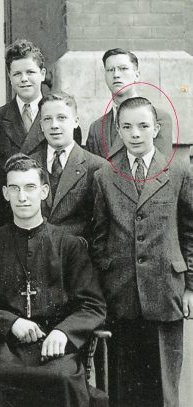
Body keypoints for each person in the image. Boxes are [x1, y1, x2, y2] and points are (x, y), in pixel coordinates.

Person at [0, 153, 106, 407]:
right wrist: (10, 322)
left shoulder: (68, 246)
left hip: (54, 344)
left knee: (63, 378)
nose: (22, 197)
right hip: (2, 344)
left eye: (30, 188)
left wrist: (63, 332)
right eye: (14, 188)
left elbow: (92, 305)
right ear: (4, 193)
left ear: (44, 191)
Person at [91, 96, 193, 407]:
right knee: (123, 383)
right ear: (118, 132)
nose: (135, 133)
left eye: (143, 126)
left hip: (165, 290)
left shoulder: (178, 172)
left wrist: (190, 286)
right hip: (120, 293)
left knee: (163, 386)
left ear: (156, 128)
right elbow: (98, 237)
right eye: (127, 127)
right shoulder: (104, 176)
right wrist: (105, 281)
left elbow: (190, 232)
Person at [0, 39, 47, 227]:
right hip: (10, 218)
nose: (24, 79)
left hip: (48, 215)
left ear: (42, 74)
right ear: (9, 78)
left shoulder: (59, 116)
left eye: (30, 72)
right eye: (17, 74)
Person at [30, 92, 106, 239]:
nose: (54, 125)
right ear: (41, 126)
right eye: (47, 119)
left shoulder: (97, 166)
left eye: (61, 118)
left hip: (78, 255)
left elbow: (101, 227)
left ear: (76, 121)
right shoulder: (29, 165)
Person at [85, 48, 172, 159]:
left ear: (137, 75)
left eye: (123, 69)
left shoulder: (159, 118)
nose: (116, 74)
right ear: (105, 76)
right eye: (110, 70)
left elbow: (159, 168)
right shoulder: (96, 128)